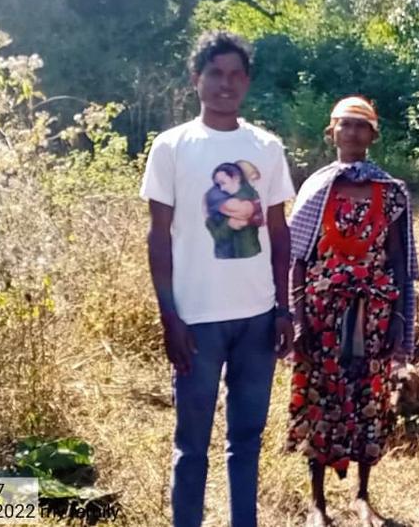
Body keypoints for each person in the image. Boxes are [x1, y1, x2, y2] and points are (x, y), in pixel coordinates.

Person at [141, 31, 296, 527]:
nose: (225, 85)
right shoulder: (172, 147)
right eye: (215, 74)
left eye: (235, 76)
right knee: (191, 444)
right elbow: (159, 237)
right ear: (197, 80)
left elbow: (278, 231)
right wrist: (170, 317)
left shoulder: (266, 147)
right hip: (197, 321)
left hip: (257, 319)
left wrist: (284, 308)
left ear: (246, 82)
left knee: (247, 439)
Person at [285, 96, 419, 527]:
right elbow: (299, 256)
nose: (353, 133)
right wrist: (298, 316)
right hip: (323, 313)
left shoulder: (390, 191)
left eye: (362, 127)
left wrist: (401, 318)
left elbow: (399, 259)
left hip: (374, 311)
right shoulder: (318, 189)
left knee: (370, 399)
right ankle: (317, 503)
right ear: (332, 133)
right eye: (346, 125)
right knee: (319, 399)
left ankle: (362, 495)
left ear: (373, 136)